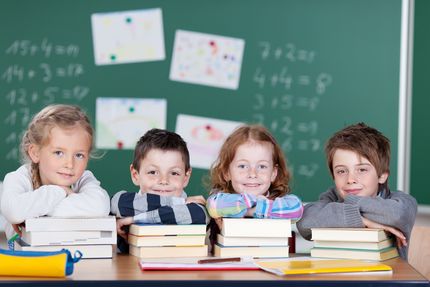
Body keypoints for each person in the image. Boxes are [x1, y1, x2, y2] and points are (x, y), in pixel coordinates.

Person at [296, 123, 417, 260]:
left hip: (387, 278)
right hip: (339, 276)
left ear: (382, 175)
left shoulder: (402, 201)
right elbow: (305, 222)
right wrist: (363, 221)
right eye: (341, 171)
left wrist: (349, 201)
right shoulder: (332, 196)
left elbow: (396, 215)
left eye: (362, 169)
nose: (350, 179)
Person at [1, 104, 110, 248]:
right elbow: (14, 210)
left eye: (79, 155)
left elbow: (100, 206)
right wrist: (60, 191)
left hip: (74, 259)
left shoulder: (84, 177)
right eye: (58, 153)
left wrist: (32, 212)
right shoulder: (18, 178)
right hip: (27, 264)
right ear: (35, 153)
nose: (69, 164)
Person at [110, 129, 209, 253]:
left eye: (174, 173)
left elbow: (198, 215)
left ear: (186, 177)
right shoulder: (125, 202)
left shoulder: (196, 209)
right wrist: (180, 202)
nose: (163, 180)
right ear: (135, 175)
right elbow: (116, 202)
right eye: (152, 172)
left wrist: (134, 219)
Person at [206, 125, 303, 246]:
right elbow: (214, 206)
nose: (252, 174)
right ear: (227, 172)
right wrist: (251, 203)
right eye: (242, 166)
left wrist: (255, 210)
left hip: (270, 262)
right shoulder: (221, 199)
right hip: (232, 261)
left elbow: (296, 209)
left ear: (273, 173)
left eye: (262, 166)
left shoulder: (278, 200)